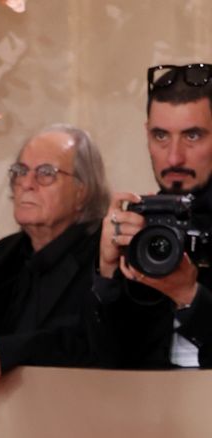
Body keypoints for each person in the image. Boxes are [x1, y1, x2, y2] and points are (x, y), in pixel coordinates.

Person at [0, 124, 107, 404]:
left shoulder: (105, 256)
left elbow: (91, 342)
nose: (26, 184)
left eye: (46, 173)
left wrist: (4, 353)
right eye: (21, 171)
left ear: (82, 191)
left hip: (88, 416)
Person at [89, 63, 212, 368]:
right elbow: (101, 360)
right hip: (148, 410)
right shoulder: (142, 230)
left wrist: (189, 296)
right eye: (160, 136)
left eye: (193, 136)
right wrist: (106, 274)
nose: (174, 157)